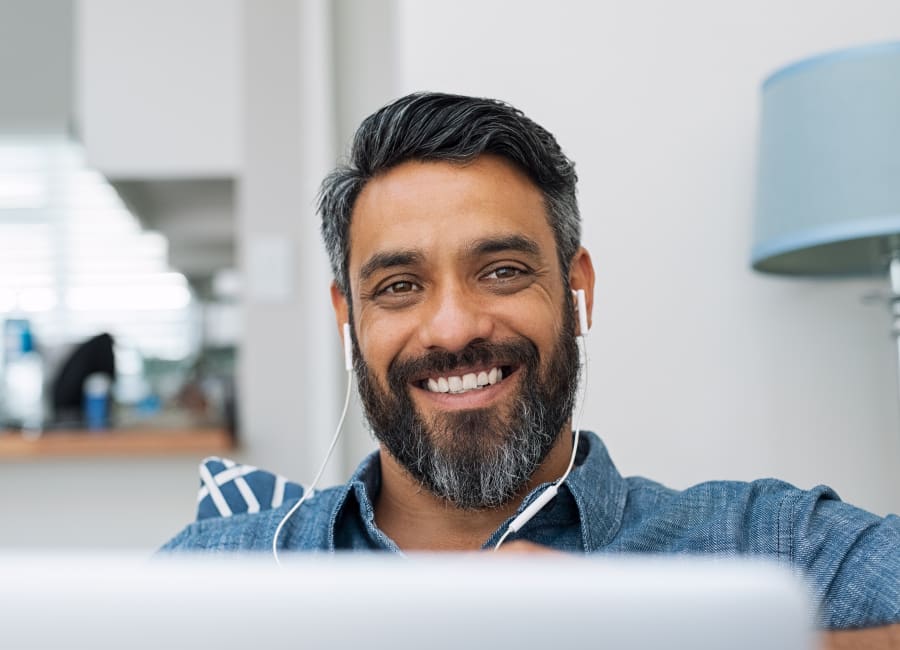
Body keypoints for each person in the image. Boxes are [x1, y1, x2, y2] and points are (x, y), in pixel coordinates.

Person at [164, 92, 899, 644]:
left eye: (504, 271)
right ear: (347, 318)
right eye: (398, 287)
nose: (453, 328)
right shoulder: (216, 575)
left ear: (577, 287)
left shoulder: (770, 544)